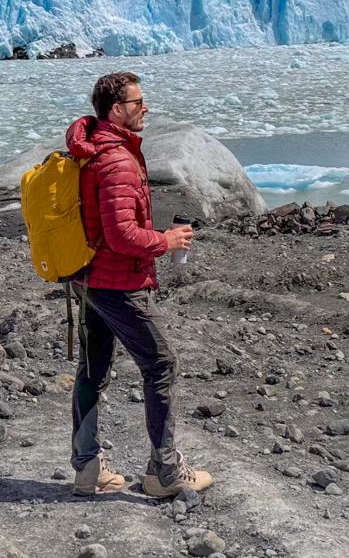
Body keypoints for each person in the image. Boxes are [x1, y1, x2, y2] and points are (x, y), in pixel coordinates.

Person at [63, 71, 213, 499]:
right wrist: (165, 242)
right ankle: (164, 472)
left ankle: (87, 468)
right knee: (160, 363)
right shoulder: (117, 160)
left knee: (93, 368)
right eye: (137, 102)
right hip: (117, 283)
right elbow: (121, 235)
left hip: (90, 277)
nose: (145, 108)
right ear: (117, 110)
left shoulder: (94, 150)